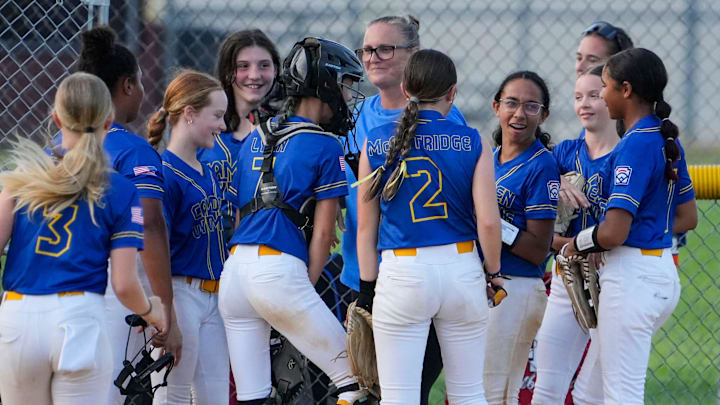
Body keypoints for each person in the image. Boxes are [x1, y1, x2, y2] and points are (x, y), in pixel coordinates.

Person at [0, 72, 166, 405]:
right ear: (108, 120)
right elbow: (123, 284)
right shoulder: (120, 189)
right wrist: (152, 310)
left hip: (18, 316)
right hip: (78, 320)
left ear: (57, 117)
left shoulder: (22, 178)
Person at [218, 37, 368, 405]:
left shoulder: (256, 137)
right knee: (356, 382)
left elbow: (240, 213)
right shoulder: (325, 144)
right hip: (279, 274)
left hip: (234, 275)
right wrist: (303, 291)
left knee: (254, 395)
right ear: (327, 84)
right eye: (346, 84)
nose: (349, 96)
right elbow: (321, 236)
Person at [354, 49, 502, 405]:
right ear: (452, 92)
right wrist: (494, 272)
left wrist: (367, 289)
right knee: (468, 394)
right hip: (462, 268)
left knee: (398, 396)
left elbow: (365, 228)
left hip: (403, 271)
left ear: (405, 89)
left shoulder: (374, 139)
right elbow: (488, 221)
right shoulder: (472, 139)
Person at [342, 16, 467, 404]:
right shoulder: (356, 117)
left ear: (414, 54)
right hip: (360, 274)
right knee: (369, 389)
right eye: (367, 49)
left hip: (420, 274)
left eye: (386, 48)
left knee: (405, 390)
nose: (373, 57)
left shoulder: (446, 118)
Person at [562, 48, 696, 405]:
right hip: (660, 270)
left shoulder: (635, 144)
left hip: (632, 279)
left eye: (604, 86)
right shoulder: (665, 138)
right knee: (587, 393)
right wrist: (649, 229)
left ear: (625, 89)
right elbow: (687, 218)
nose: (601, 95)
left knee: (621, 396)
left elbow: (612, 233)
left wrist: (576, 243)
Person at [74, 26, 181, 401]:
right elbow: (150, 227)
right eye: (138, 82)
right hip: (111, 293)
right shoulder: (133, 151)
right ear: (128, 86)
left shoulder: (56, 145)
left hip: (46, 292)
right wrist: (165, 308)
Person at [531, 65, 617, 404]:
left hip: (610, 279)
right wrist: (558, 180)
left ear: (612, 98)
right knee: (547, 386)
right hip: (567, 277)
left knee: (591, 392)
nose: (584, 104)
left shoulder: (627, 155)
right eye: (578, 96)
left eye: (594, 95)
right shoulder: (564, 153)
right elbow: (533, 174)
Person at [145, 70, 229, 404]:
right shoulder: (165, 173)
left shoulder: (206, 169)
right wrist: (169, 318)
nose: (222, 125)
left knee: (215, 398)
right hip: (179, 295)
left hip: (213, 297)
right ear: (190, 114)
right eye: (217, 115)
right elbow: (153, 250)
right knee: (172, 396)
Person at [483, 71, 559, 405]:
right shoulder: (489, 158)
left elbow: (538, 249)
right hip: (489, 286)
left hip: (517, 288)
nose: (519, 114)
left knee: (496, 395)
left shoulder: (541, 166)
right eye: (511, 103)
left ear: (543, 115)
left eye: (531, 106)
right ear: (496, 106)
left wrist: (491, 223)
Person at [199, 29, 281, 244]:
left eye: (264, 65)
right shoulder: (203, 128)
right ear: (227, 72)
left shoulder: (288, 131)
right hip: (207, 246)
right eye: (243, 66)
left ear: (276, 70)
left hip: (265, 247)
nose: (254, 75)